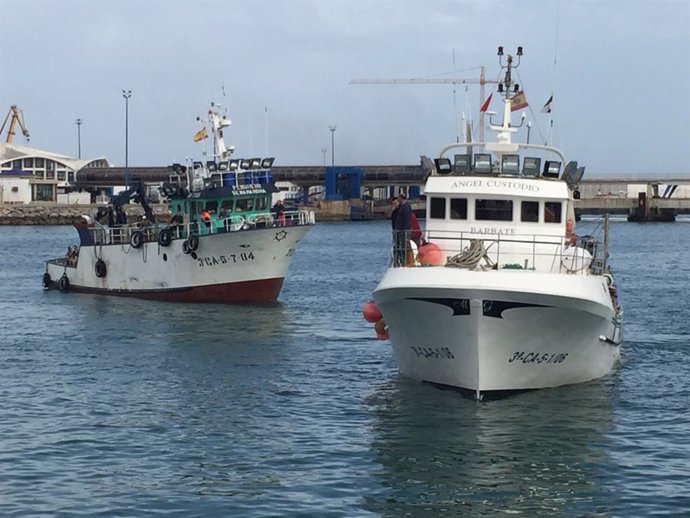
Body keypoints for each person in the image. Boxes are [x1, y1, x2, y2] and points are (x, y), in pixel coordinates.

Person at [392, 192, 412, 266]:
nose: (398, 200)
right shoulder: (402, 207)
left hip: (404, 230)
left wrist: (405, 230)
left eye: (399, 198)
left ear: (401, 198)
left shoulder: (406, 207)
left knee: (406, 246)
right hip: (401, 230)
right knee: (403, 246)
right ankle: (404, 261)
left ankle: (409, 261)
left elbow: (406, 219)